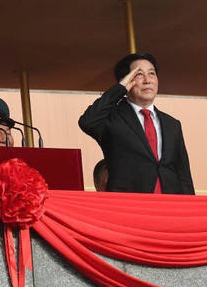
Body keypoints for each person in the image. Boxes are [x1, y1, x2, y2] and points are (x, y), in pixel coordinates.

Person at [79, 52, 194, 194]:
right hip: (130, 203)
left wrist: (189, 206)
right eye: (139, 74)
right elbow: (87, 122)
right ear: (126, 81)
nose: (148, 80)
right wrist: (119, 89)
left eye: (152, 74)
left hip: (170, 204)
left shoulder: (172, 124)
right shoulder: (112, 118)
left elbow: (183, 174)